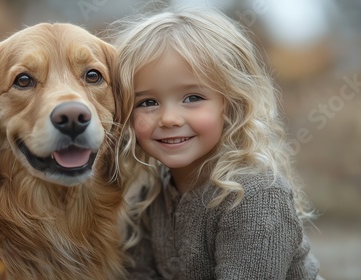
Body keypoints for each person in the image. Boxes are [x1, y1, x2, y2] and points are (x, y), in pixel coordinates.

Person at [112, 8, 322, 280]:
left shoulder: (256, 197)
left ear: (231, 103)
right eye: (147, 103)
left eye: (192, 97)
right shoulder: (151, 196)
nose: (169, 118)